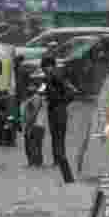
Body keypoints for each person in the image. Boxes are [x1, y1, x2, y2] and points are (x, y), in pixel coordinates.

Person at [41, 54, 79, 183]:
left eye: (45, 67)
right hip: (55, 109)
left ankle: (62, 165)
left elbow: (72, 91)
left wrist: (61, 102)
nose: (44, 70)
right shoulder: (51, 76)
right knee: (56, 137)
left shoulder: (56, 76)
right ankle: (58, 163)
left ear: (50, 66)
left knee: (58, 136)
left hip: (58, 110)